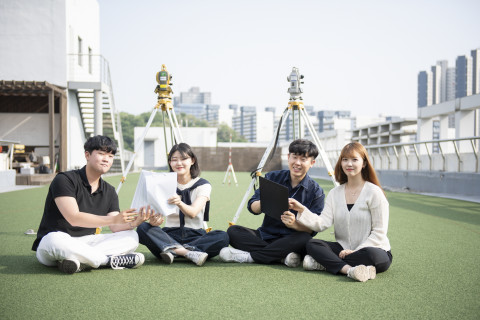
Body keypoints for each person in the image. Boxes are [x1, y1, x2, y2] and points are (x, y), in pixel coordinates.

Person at [32, 135, 151, 274]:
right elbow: (73, 218)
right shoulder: (64, 179)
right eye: (101, 154)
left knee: (131, 236)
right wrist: (114, 218)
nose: (106, 159)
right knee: (53, 239)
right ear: (87, 155)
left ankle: (77, 261)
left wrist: (135, 222)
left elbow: (115, 226)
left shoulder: (109, 191)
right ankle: (107, 261)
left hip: (87, 241)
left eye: (111, 156)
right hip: (58, 241)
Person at [285, 142, 392, 282]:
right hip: (342, 249)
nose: (349, 164)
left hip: (371, 249)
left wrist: (356, 250)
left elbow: (379, 232)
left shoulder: (374, 193)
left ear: (364, 163)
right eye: (345, 159)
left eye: (354, 159)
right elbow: (321, 223)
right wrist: (301, 209)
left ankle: (323, 264)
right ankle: (349, 270)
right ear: (341, 163)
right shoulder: (335, 193)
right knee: (312, 244)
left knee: (374, 257)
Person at [220, 139, 325, 266]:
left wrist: (294, 225)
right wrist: (267, 201)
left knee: (305, 239)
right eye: (294, 157)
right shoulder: (273, 177)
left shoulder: (316, 191)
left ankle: (250, 257)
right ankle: (280, 258)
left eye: (303, 159)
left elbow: (312, 230)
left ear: (312, 163)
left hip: (292, 239)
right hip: (265, 235)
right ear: (288, 157)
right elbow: (252, 206)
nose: (297, 163)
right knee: (233, 231)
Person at [136, 143, 229, 266]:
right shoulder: (163, 184)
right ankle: (188, 253)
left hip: (195, 235)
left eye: (184, 159)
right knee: (143, 228)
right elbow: (156, 218)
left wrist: (179, 202)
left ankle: (172, 250)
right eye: (174, 160)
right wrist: (154, 221)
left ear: (192, 160)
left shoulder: (203, 185)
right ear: (170, 163)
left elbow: (193, 212)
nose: (179, 163)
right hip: (169, 234)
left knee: (223, 236)